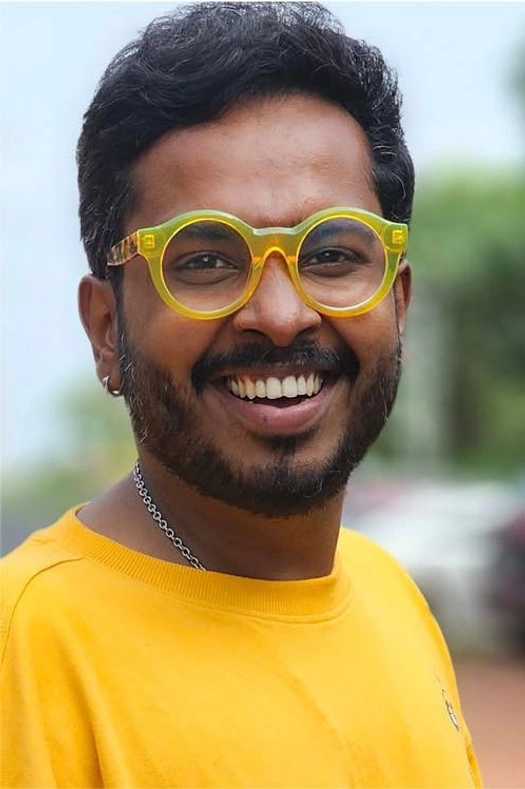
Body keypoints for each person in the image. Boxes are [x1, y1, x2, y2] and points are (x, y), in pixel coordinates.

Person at [1, 3, 482, 787]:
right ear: (106, 328)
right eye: (204, 261)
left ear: (397, 303)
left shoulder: (388, 595)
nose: (281, 315)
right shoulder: (28, 648)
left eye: (330, 253)